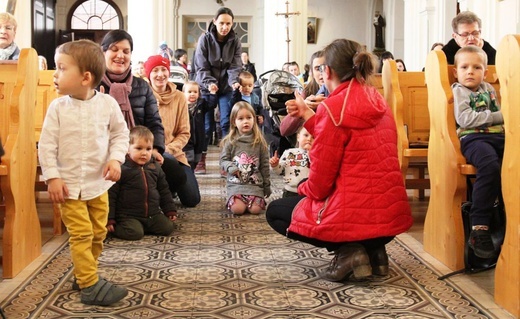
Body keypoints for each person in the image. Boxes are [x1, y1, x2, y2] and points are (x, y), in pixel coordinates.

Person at [266, 39, 412, 282]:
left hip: (352, 220)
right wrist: (307, 115)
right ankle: (376, 252)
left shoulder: (334, 108)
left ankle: (349, 252)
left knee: (277, 211)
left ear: (328, 71)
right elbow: (342, 136)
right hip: (388, 218)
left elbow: (320, 185)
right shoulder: (378, 101)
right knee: (362, 195)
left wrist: (301, 189)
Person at [38, 39, 129, 305]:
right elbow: (46, 146)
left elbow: (120, 135)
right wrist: (52, 177)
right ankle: (90, 284)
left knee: (99, 232)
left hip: (97, 184)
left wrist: (115, 160)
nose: (55, 75)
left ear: (85, 77)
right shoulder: (57, 108)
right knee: (81, 234)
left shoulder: (107, 105)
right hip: (68, 187)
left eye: (62, 68)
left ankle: (83, 271)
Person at [99, 30, 187, 207]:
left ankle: (150, 199)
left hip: (139, 148)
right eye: (114, 50)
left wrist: (155, 149)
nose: (120, 55)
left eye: (126, 51)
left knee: (177, 174)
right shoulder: (94, 84)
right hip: (105, 151)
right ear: (103, 53)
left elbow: (155, 122)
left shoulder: (142, 86)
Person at [452, 45, 504, 259]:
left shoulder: (489, 89)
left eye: (476, 67)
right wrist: (499, 116)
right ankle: (479, 226)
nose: (470, 71)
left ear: (486, 71)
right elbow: (465, 119)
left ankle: (508, 216)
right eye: (464, 67)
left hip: (498, 136)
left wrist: (501, 116)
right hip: (474, 138)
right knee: (490, 166)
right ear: (456, 71)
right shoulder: (459, 91)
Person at [145, 54, 201, 207]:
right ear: (148, 74)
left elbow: (184, 133)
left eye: (164, 69)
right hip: (147, 154)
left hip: (173, 154)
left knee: (192, 199)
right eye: (155, 70)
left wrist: (167, 150)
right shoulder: (144, 95)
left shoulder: (179, 97)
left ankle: (170, 187)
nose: (160, 74)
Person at [108, 126, 177, 240]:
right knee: (134, 233)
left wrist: (169, 210)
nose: (144, 153)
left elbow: (164, 190)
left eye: (148, 149)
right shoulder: (122, 168)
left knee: (167, 228)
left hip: (152, 214)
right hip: (128, 215)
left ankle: (144, 226)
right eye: (139, 148)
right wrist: (110, 219)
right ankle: (120, 228)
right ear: (127, 149)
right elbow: (112, 195)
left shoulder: (155, 167)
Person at [193, 6, 242, 141]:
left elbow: (235, 65)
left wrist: (233, 81)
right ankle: (201, 156)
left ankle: (226, 156)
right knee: (207, 126)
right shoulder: (205, 39)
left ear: (232, 23)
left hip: (226, 87)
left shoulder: (236, 41)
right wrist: (210, 83)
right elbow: (201, 66)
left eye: (228, 23)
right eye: (221, 23)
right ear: (214, 21)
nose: (224, 27)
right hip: (206, 87)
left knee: (226, 122)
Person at [220, 101, 271, 215]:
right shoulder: (230, 141)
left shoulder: (259, 142)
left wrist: (266, 186)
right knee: (237, 210)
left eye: (249, 117)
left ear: (254, 119)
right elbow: (223, 160)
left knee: (255, 210)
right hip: (236, 185)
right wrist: (231, 168)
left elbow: (264, 165)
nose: (245, 121)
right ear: (234, 122)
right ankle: (235, 200)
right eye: (241, 119)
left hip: (255, 185)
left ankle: (253, 200)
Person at [269, 126, 313, 197]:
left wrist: (311, 154)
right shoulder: (289, 152)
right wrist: (275, 165)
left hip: (308, 191)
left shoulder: (317, 155)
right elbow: (280, 171)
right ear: (298, 137)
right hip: (290, 191)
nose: (309, 139)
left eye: (313, 137)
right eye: (306, 135)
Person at [183, 81, 217, 172]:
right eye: (189, 92)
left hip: (199, 137)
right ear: (184, 93)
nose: (192, 94)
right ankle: (189, 174)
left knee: (196, 158)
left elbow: (212, 105)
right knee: (188, 159)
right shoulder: (181, 106)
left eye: (195, 92)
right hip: (186, 138)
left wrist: (213, 94)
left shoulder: (201, 104)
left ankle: (193, 170)